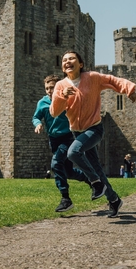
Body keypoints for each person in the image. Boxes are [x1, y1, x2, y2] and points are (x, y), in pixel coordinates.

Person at [50, 50, 136, 218]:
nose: (67, 61)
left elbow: (113, 80)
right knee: (97, 168)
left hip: (94, 129)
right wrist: (62, 96)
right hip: (77, 132)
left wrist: (129, 89)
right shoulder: (60, 86)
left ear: (80, 64)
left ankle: (96, 183)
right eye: (64, 60)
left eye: (71, 59)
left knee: (73, 152)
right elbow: (54, 112)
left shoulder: (92, 78)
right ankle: (114, 200)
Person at [33, 74, 90, 212]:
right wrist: (38, 124)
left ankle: (66, 199)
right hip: (54, 140)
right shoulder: (42, 103)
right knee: (68, 172)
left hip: (68, 137)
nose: (49, 90)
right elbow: (36, 116)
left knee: (56, 163)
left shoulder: (68, 99)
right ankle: (92, 180)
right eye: (47, 88)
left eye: (52, 87)